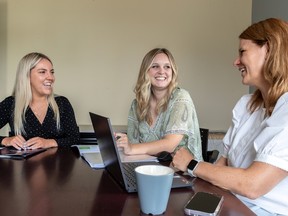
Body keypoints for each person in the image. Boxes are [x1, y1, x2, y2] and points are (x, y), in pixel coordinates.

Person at [172, 18, 288, 215]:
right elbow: (223, 164)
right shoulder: (247, 105)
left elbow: (253, 185)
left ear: (268, 50)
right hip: (232, 202)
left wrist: (192, 164)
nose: (236, 61)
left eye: (242, 52)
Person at [116, 48, 202, 161]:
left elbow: (169, 145)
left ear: (173, 72)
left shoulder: (181, 98)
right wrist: (124, 144)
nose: (162, 71)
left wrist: (131, 148)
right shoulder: (137, 105)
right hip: (150, 167)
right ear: (145, 71)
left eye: (167, 67)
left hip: (184, 173)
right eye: (155, 66)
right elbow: (133, 145)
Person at [0, 52, 79, 150]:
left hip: (58, 164)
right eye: (42, 72)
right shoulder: (11, 104)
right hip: (23, 165)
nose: (51, 77)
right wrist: (5, 140)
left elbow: (74, 138)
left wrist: (49, 142)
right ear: (27, 76)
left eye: (52, 72)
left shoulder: (62, 103)